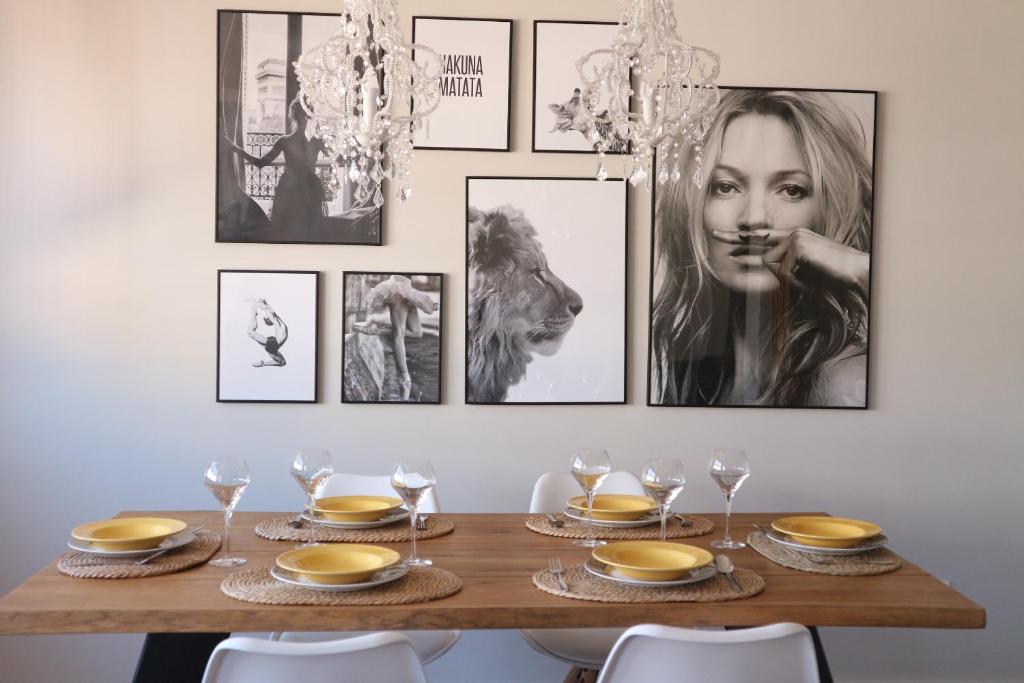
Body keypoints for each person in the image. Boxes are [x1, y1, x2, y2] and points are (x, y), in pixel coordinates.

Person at [650, 89, 872, 407]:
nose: (754, 219)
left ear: (828, 209)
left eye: (791, 190)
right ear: (690, 207)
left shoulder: (846, 383)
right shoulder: (692, 374)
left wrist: (860, 267)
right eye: (725, 187)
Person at [224, 96, 326, 235]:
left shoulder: (284, 141)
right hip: (309, 190)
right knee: (309, 232)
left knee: (285, 232)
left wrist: (237, 149)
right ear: (309, 115)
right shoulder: (317, 141)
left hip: (289, 191)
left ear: (292, 116)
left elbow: (260, 163)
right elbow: (339, 157)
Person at [352, 275, 438, 400]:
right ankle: (405, 378)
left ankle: (375, 329)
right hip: (397, 288)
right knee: (399, 333)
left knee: (417, 332)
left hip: (408, 288)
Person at [247, 299, 288, 367]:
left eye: (266, 317)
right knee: (282, 363)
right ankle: (262, 364)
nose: (266, 316)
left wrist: (254, 301)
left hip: (273, 343)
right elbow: (268, 309)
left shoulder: (276, 321)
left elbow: (267, 309)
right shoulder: (278, 322)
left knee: (250, 331)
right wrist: (265, 303)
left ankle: (254, 313)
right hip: (273, 345)